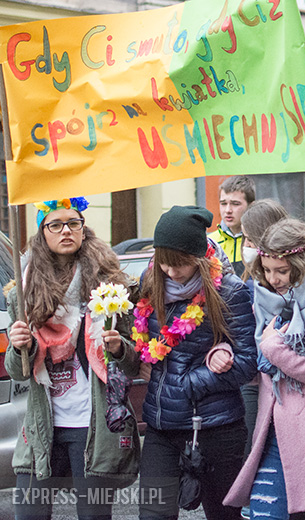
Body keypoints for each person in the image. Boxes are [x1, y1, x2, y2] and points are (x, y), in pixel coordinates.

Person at [6, 197, 141, 519]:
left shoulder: (111, 287)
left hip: (91, 425)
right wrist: (19, 346)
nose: (65, 230)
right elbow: (19, 373)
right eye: (55, 225)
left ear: (83, 229)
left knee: (93, 515)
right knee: (29, 514)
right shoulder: (22, 296)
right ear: (43, 233)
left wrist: (119, 348)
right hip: (43, 426)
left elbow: (134, 364)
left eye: (73, 223)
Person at [224, 218, 305, 519]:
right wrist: (223, 350)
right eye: (267, 270)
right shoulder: (266, 300)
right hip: (273, 433)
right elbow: (255, 361)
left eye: (281, 271)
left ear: (301, 263)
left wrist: (275, 350)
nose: (273, 279)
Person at [137, 206, 256, 520]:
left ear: (200, 256)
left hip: (214, 428)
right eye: (164, 261)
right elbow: (147, 345)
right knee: (153, 514)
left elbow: (247, 362)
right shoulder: (150, 285)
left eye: (180, 263)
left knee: (223, 515)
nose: (171, 271)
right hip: (161, 426)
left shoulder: (229, 292)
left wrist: (189, 383)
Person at [236, 199, 290, 520]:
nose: (245, 247)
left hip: (294, 395)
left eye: (248, 240)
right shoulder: (251, 284)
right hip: (260, 389)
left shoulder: (303, 287)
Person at [209, 175, 256, 277]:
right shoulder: (210, 242)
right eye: (223, 203)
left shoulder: (258, 241)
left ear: (251, 206)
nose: (228, 210)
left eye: (235, 204)